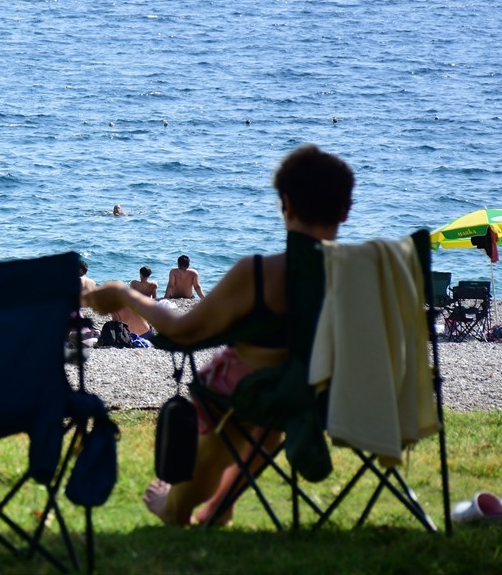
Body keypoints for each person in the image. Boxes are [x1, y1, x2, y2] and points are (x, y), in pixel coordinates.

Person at [83, 144, 354, 527]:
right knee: (273, 406)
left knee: (246, 399)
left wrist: (125, 297)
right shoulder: (368, 275)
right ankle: (217, 508)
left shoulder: (261, 273)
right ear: (345, 210)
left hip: (271, 396)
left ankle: (177, 507)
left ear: (286, 205)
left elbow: (181, 329)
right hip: (345, 396)